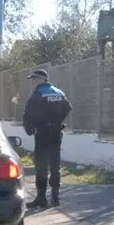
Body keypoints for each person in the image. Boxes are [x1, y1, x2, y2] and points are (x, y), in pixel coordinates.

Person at [22, 69, 72, 208]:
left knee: (41, 166)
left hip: (42, 133)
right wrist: (58, 122)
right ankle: (56, 198)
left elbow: (28, 112)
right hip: (56, 133)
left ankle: (41, 198)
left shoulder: (38, 93)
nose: (32, 81)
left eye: (35, 78)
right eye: (32, 78)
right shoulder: (59, 92)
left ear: (43, 79)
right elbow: (68, 107)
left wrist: (30, 128)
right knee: (55, 165)